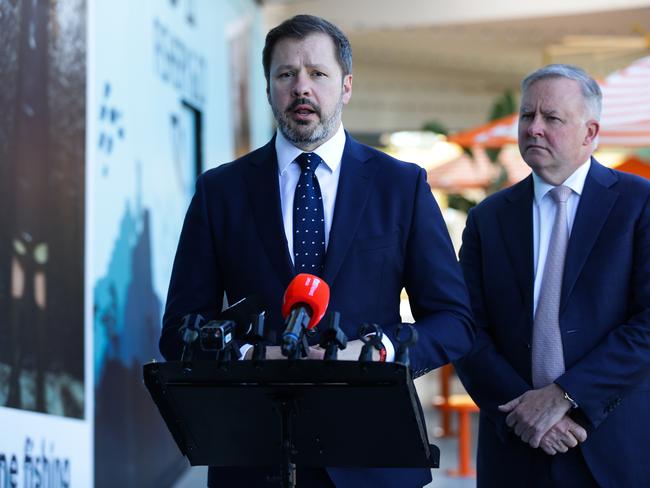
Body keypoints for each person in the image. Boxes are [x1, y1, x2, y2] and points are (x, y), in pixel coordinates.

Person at [160, 14, 474, 488]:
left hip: (375, 458)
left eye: (317, 74)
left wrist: (378, 351)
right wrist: (247, 355)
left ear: (346, 86)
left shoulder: (401, 186)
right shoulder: (220, 191)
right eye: (286, 75)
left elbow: (454, 322)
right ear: (268, 88)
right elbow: (179, 329)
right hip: (254, 458)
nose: (300, 88)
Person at [455, 63, 650, 487]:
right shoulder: (488, 218)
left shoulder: (639, 204)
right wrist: (526, 412)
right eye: (527, 115)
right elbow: (466, 327)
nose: (534, 128)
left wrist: (566, 397)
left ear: (590, 132)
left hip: (612, 447)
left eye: (552, 118)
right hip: (515, 449)